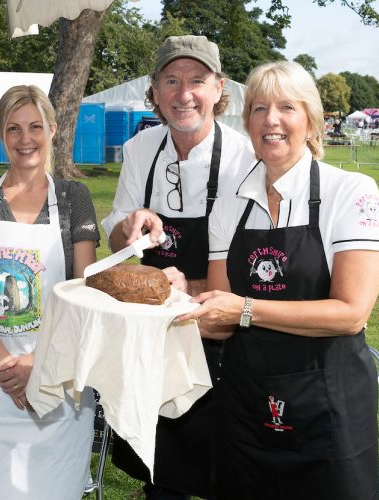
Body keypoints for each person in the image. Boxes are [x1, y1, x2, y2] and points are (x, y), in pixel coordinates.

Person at [179, 61, 379, 499]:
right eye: (258, 109)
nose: (270, 120)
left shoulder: (350, 192)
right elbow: (219, 319)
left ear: (309, 119)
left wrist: (246, 308)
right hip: (246, 407)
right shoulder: (229, 204)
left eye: (286, 107)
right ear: (246, 122)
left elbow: (351, 313)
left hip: (328, 410)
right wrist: (178, 299)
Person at [101, 35, 256, 499]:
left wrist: (186, 288)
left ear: (219, 88)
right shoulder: (140, 149)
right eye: (171, 80)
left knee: (222, 464)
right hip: (154, 337)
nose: (183, 94)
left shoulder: (246, 157)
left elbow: (248, 268)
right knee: (160, 468)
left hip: (219, 335)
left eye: (197, 80)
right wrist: (128, 223)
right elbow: (114, 231)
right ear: (154, 89)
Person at [0, 85, 99, 500]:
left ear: (52, 130)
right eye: (13, 128)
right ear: (0, 134)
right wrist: (6, 366)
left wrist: (38, 362)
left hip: (58, 381)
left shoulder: (74, 199)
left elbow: (84, 292)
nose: (24, 138)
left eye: (34, 126)